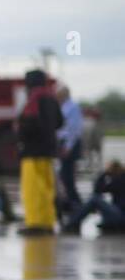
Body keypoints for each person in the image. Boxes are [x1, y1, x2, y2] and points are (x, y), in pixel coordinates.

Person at [16, 69, 63, 235]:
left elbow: (28, 124)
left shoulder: (34, 99)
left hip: (32, 152)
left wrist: (20, 131)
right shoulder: (51, 97)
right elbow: (59, 122)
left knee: (32, 189)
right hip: (48, 151)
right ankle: (47, 222)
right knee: (47, 188)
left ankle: (35, 223)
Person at [64, 160, 125, 235]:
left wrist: (105, 173)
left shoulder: (121, 179)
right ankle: (108, 224)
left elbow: (98, 190)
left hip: (121, 216)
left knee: (95, 199)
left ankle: (72, 223)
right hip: (120, 214)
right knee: (98, 199)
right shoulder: (120, 179)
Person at [56, 85, 84, 224]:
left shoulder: (72, 108)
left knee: (67, 175)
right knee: (64, 175)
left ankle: (76, 203)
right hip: (65, 143)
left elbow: (73, 128)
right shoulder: (64, 107)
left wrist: (68, 146)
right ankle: (73, 202)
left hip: (70, 143)